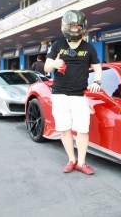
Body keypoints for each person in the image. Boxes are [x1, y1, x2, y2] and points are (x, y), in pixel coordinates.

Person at [44, 10, 102, 175]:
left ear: (82, 27)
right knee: (64, 129)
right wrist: (55, 63)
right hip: (59, 95)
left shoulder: (89, 48)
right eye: (72, 26)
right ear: (66, 27)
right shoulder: (57, 45)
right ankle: (71, 160)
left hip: (79, 96)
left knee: (83, 131)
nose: (75, 29)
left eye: (77, 26)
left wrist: (97, 82)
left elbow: (98, 68)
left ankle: (82, 163)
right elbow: (47, 67)